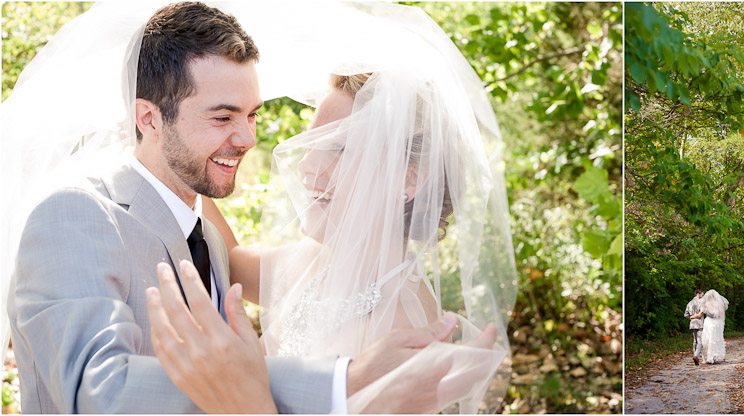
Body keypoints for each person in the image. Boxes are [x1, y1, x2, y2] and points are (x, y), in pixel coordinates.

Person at [3, 2, 489, 413]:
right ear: (148, 118)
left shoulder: (407, 324)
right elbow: (98, 394)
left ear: (410, 180)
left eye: (252, 115)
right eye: (222, 117)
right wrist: (344, 384)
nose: (251, 139)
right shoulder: (76, 215)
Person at [146, 2, 517, 413]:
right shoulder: (313, 262)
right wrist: (182, 161)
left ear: (409, 179)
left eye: (337, 149)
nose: (307, 166)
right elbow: (227, 259)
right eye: (311, 142)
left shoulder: (404, 326)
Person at [700, 289, 729, 364]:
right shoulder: (718, 303)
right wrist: (721, 321)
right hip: (717, 322)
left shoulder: (706, 303)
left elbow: (702, 312)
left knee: (708, 338)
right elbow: (722, 313)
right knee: (716, 339)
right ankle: (714, 356)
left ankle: (707, 357)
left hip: (708, 322)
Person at [684, 288, 705, 366]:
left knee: (695, 341)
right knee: (700, 341)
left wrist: (691, 318)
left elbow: (685, 314)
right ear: (698, 294)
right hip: (699, 323)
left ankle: (694, 355)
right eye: (702, 295)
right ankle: (696, 355)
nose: (703, 296)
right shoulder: (701, 302)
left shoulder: (690, 303)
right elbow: (701, 313)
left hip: (692, 324)